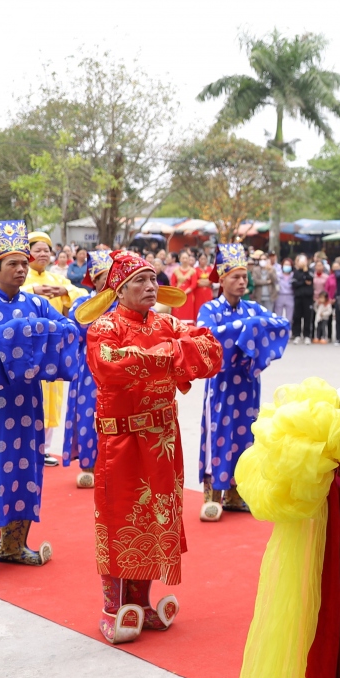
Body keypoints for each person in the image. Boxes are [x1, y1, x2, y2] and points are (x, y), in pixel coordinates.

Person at [76, 251, 221, 644]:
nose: (151, 286)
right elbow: (112, 366)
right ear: (120, 289)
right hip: (122, 441)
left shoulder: (168, 322)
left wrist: (166, 353)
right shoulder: (103, 328)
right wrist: (175, 355)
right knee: (119, 520)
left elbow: (210, 352)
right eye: (140, 281)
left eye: (154, 279)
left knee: (156, 521)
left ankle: (139, 604)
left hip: (162, 441)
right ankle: (112, 609)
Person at [0, 220, 81, 581]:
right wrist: (8, 337)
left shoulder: (38, 303)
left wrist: (36, 332)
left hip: (25, 405)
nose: (21, 269)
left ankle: (13, 546)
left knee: (24, 467)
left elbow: (66, 334)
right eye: (13, 264)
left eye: (24, 263)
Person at [196, 244, 290, 521]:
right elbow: (207, 336)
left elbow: (279, 324)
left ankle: (238, 493)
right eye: (235, 277)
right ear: (221, 279)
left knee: (247, 436)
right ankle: (213, 495)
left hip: (248, 386)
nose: (241, 282)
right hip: (222, 386)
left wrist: (248, 331)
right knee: (219, 434)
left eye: (244, 276)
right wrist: (249, 330)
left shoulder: (252, 308)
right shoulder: (210, 308)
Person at [22, 231, 86, 466]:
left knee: (52, 398)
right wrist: (34, 291)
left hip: (53, 348)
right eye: (37, 249)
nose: (42, 254)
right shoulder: (22, 277)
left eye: (46, 250)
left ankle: (45, 448)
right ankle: (27, 446)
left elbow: (83, 295)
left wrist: (64, 292)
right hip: (27, 348)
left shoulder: (58, 278)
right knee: (29, 394)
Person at [63, 251, 115, 489]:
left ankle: (113, 466)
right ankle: (88, 466)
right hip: (89, 369)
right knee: (88, 414)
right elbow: (75, 331)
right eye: (104, 276)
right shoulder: (81, 304)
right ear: (94, 280)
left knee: (115, 415)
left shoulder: (122, 304)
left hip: (117, 369)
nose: (109, 281)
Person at [170, 249, 200, 322]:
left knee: (188, 313)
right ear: (180, 259)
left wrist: (185, 292)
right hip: (177, 295)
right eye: (183, 258)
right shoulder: (175, 271)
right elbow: (172, 283)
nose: (185, 260)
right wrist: (177, 292)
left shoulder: (192, 271)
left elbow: (193, 284)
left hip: (188, 295)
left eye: (186, 258)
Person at [291, 254, 314, 344]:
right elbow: (294, 284)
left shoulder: (310, 271)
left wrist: (305, 272)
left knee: (307, 317)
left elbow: (310, 279)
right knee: (297, 316)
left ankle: (307, 335)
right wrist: (303, 281)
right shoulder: (296, 272)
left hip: (308, 298)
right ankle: (297, 335)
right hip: (298, 297)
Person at [275, 257, 294, 322]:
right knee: (278, 315)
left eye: (288, 265)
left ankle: (288, 330)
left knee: (289, 316)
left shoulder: (293, 275)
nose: (287, 266)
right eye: (285, 264)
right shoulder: (278, 275)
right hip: (280, 295)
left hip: (290, 296)